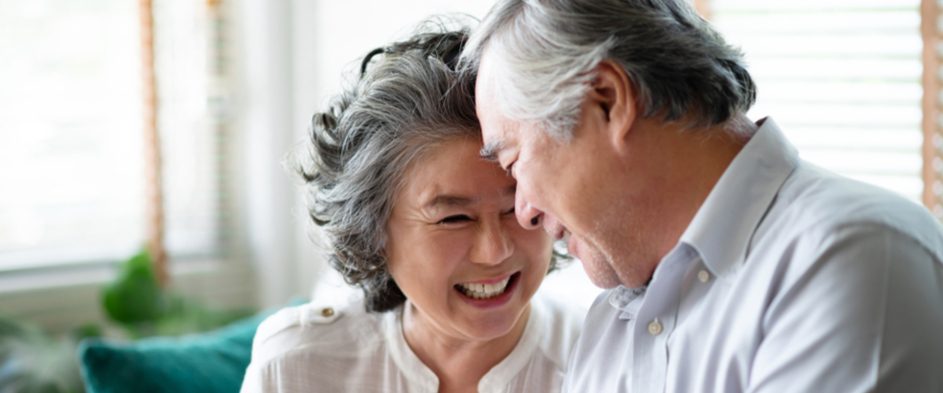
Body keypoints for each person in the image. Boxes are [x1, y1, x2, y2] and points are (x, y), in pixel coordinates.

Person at [460, 0, 943, 392]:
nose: (522, 211)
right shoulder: (611, 325)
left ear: (608, 101)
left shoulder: (850, 257)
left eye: (513, 161)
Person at [240, 23, 581, 393]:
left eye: (514, 205)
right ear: (374, 232)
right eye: (454, 218)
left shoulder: (604, 361)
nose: (495, 250)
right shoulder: (296, 367)